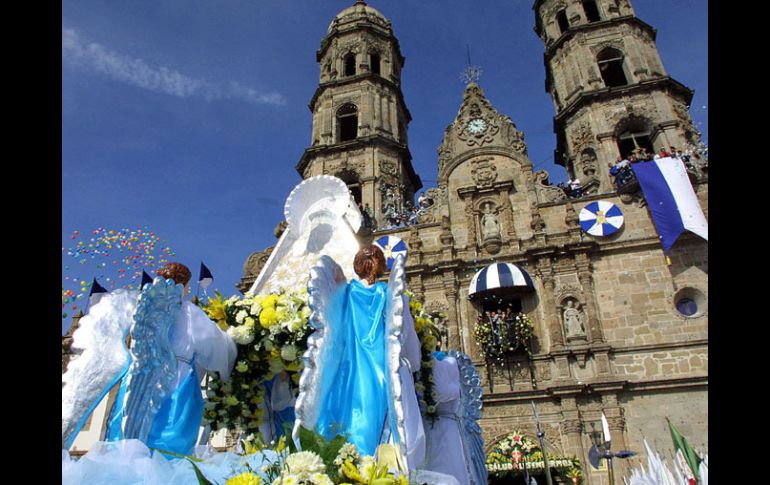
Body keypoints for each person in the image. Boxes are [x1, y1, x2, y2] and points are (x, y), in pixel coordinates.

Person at [105, 262, 237, 456]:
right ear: (184, 285)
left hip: (138, 377)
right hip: (177, 378)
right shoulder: (189, 312)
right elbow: (213, 344)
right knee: (169, 445)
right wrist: (231, 341)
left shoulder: (144, 305)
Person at [312, 245, 425, 468]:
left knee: (346, 416)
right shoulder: (390, 293)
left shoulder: (344, 292)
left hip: (348, 370)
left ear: (357, 267)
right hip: (384, 368)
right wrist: (413, 365)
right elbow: (407, 337)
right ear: (382, 267)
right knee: (392, 424)